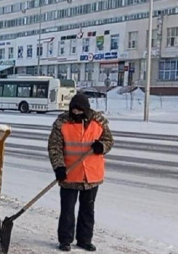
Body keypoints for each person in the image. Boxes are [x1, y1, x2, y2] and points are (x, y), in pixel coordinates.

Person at [48, 93, 114, 252]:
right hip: (69, 174)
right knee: (67, 210)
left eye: (79, 111)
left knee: (88, 210)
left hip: (92, 175)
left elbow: (109, 140)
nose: (76, 114)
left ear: (86, 110)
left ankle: (84, 240)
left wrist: (102, 147)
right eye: (73, 111)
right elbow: (54, 148)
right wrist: (59, 167)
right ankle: (65, 240)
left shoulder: (98, 121)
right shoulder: (61, 123)